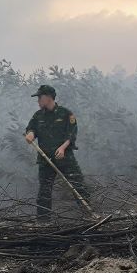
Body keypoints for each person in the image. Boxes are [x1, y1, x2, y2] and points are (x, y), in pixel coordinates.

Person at [24, 85, 90, 220]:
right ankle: (43, 221)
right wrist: (30, 134)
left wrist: (63, 147)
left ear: (48, 97)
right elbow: (31, 128)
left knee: (78, 186)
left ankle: (89, 215)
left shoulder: (66, 114)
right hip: (45, 159)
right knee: (44, 191)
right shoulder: (38, 116)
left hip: (65, 158)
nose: (38, 101)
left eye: (40, 97)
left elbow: (71, 134)